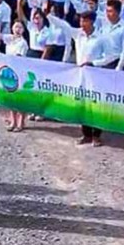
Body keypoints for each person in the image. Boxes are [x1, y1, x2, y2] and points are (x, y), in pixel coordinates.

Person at [48, 10, 114, 147]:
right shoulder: (78, 34)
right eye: (80, 21)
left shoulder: (101, 38)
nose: (82, 24)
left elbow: (111, 56)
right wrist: (47, 15)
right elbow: (64, 25)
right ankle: (86, 134)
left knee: (95, 105)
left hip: (96, 75)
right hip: (80, 75)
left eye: (85, 21)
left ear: (92, 21)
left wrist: (94, 63)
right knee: (82, 104)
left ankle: (96, 135)